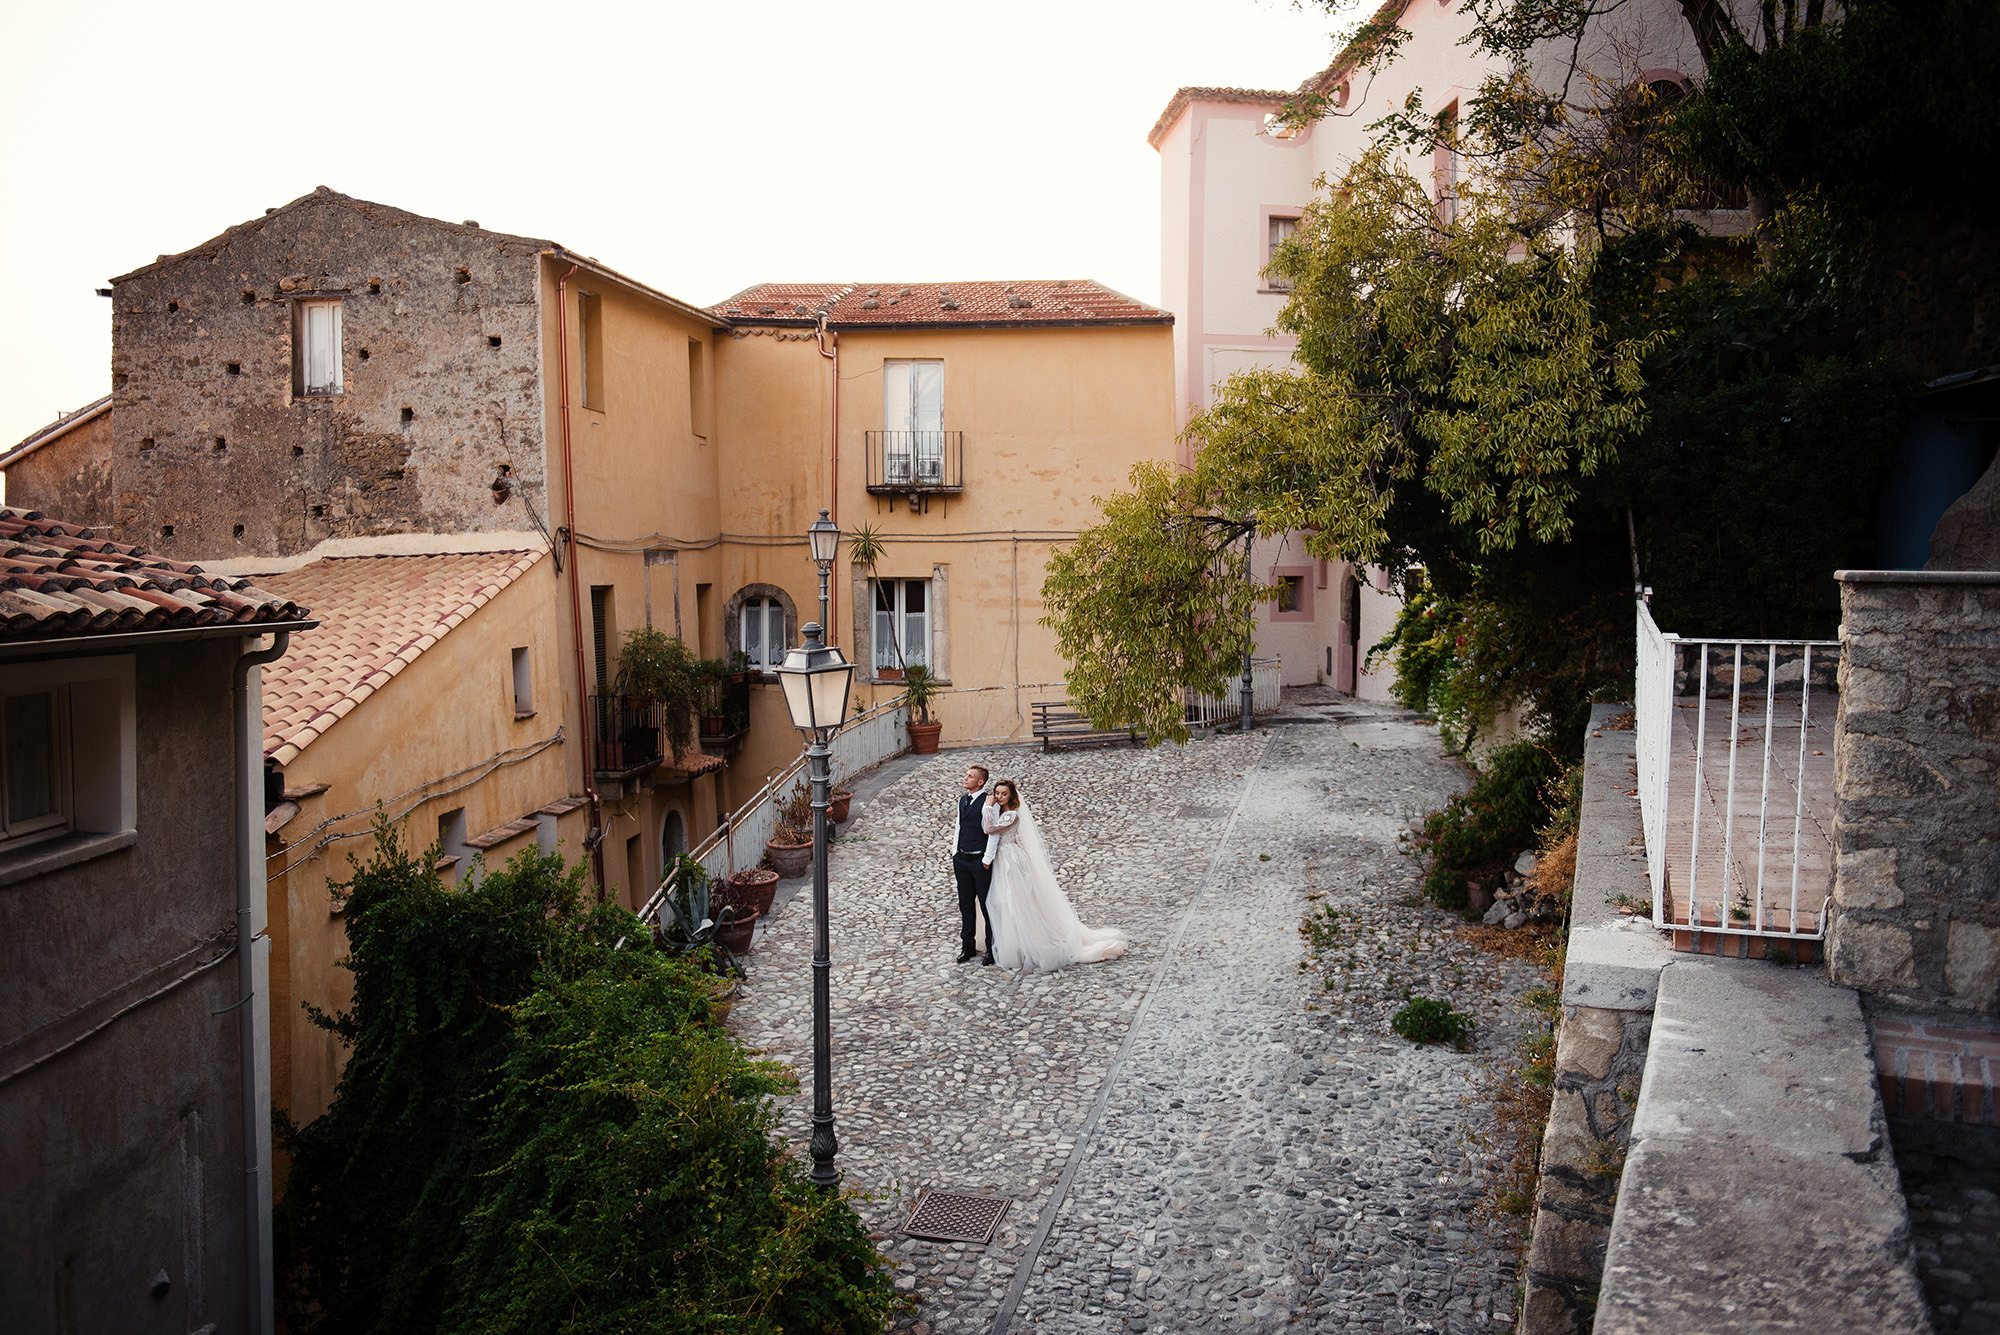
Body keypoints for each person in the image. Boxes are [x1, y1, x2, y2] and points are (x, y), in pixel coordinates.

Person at [981, 779, 1128, 972]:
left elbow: (988, 829)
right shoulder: (1000, 812)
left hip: (1010, 859)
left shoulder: (1012, 816)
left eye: (1004, 794)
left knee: (1016, 899)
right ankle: (1011, 940)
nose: (999, 797)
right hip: (1000, 857)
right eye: (997, 793)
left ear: (1011, 796)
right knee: (1002, 900)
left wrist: (987, 807)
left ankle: (1028, 942)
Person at [949, 762, 995, 965]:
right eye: (966, 775)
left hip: (980, 861)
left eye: (970, 776)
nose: (965, 778)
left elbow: (993, 831)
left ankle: (991, 948)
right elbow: (959, 826)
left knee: (987, 905)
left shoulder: (989, 802)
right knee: (965, 904)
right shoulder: (962, 801)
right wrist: (954, 852)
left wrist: (986, 859)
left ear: (980, 781)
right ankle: (967, 946)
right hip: (962, 859)